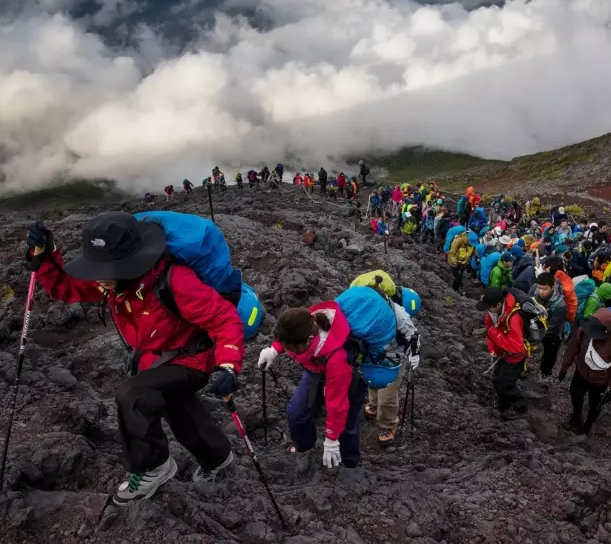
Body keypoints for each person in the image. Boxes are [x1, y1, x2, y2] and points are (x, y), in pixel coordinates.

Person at [26, 214, 244, 504]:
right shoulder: (112, 281)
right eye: (97, 267)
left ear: (129, 262)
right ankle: (217, 456)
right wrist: (44, 256)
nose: (99, 276)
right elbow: (67, 287)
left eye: (106, 268)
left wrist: (228, 366)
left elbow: (223, 318)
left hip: (192, 358)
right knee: (174, 403)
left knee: (133, 394)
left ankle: (153, 466)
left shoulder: (175, 280)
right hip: (156, 358)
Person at [258, 304, 367, 469]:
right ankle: (304, 447)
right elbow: (288, 334)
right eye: (286, 346)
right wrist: (274, 350)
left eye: (290, 348)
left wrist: (331, 438)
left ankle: (348, 463)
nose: (288, 350)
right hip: (316, 369)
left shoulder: (336, 358)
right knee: (296, 413)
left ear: (309, 339)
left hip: (345, 375)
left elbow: (337, 403)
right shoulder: (303, 323)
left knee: (345, 423)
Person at [364, 288, 421, 446]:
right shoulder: (372, 310)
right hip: (374, 353)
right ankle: (374, 405)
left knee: (387, 395)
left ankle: (388, 425)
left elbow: (413, 335)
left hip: (394, 359)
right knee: (372, 382)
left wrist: (414, 353)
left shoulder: (399, 315)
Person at [559, 309, 611, 434]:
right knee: (575, 394)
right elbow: (572, 349)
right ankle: (576, 416)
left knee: (595, 405)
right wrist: (564, 368)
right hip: (581, 372)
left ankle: (587, 425)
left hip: (600, 381)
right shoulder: (583, 332)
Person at [479, 287, 528, 420]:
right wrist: (492, 349)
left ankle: (520, 407)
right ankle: (504, 402)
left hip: (515, 357)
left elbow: (517, 348)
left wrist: (494, 334)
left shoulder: (514, 318)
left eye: (488, 307)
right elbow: (489, 329)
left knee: (506, 384)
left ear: (498, 305)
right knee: (497, 380)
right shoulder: (492, 313)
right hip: (503, 353)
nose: (487, 310)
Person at [532, 273, 567, 378]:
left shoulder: (560, 305)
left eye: (544, 289)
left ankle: (546, 372)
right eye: (539, 288)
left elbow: (552, 327)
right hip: (539, 325)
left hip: (553, 333)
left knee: (550, 353)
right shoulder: (534, 291)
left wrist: (536, 334)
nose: (541, 292)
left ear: (552, 287)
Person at [539, 255, 578, 325]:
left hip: (562, 319)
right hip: (569, 316)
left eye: (544, 267)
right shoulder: (564, 278)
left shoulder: (558, 287)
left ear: (549, 268)